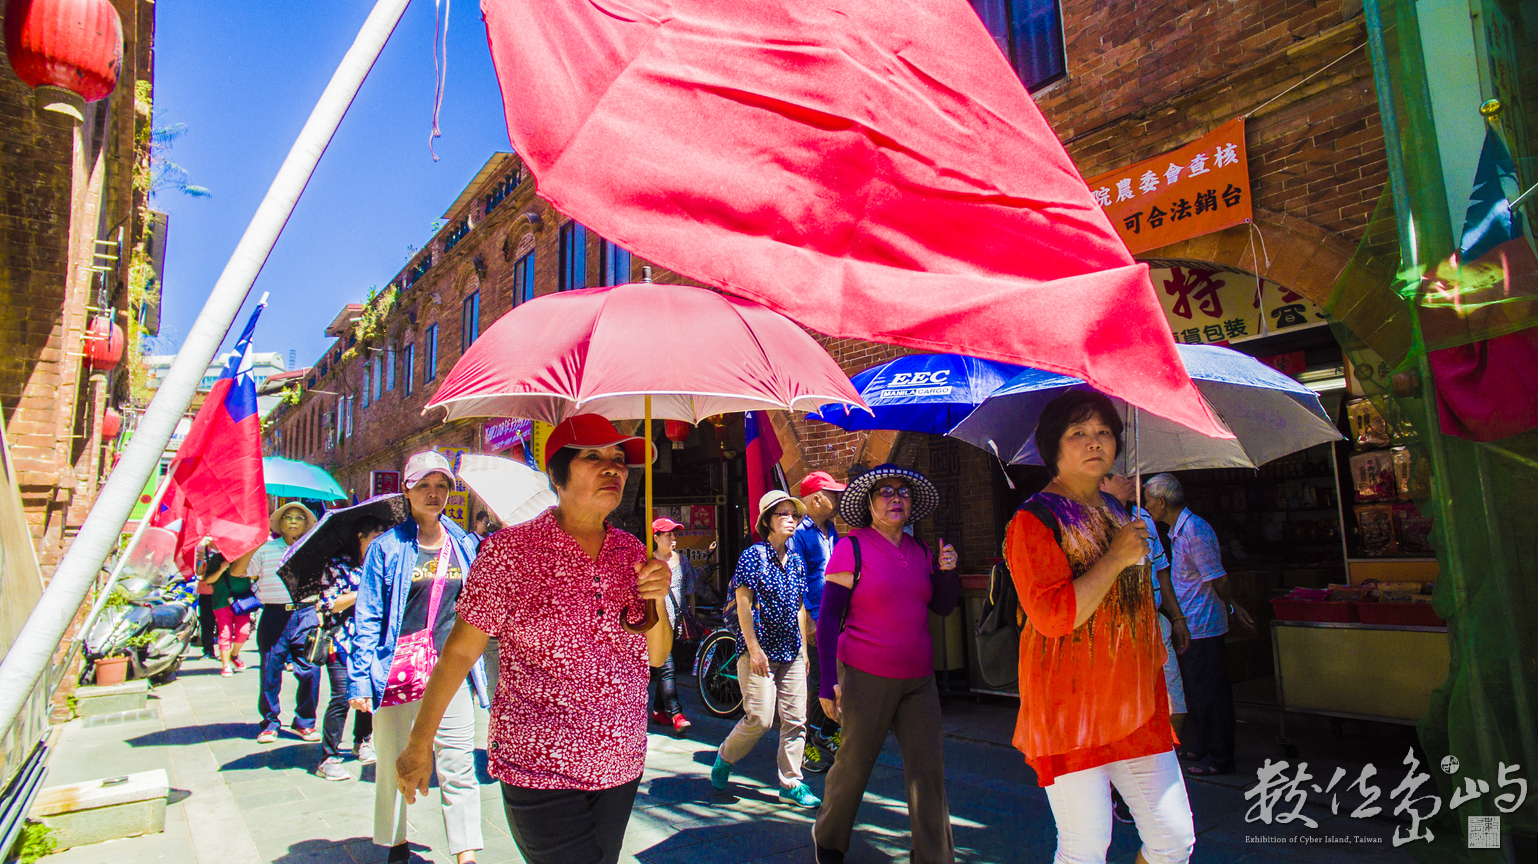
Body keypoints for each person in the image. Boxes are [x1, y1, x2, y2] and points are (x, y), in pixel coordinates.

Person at [394, 415, 672, 864]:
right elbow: (461, 651)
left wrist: (657, 595)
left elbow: (656, 654)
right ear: (558, 475)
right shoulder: (510, 552)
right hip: (538, 762)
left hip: (620, 759)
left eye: (620, 460)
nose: (613, 469)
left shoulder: (632, 553)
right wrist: (420, 742)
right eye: (594, 457)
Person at [1003, 389, 1194, 864]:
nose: (1094, 443)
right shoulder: (1034, 520)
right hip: (1071, 710)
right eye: (1079, 433)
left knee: (1174, 840)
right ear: (1054, 447)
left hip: (1134, 702)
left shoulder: (1119, 512)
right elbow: (1051, 617)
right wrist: (1115, 559)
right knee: (1086, 847)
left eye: (1104, 432)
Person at [812, 464, 960, 864]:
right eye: (886, 492)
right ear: (870, 503)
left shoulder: (923, 551)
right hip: (864, 674)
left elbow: (943, 607)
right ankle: (829, 841)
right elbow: (827, 620)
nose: (896, 498)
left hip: (919, 679)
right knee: (854, 765)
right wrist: (828, 682)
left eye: (903, 492)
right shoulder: (853, 547)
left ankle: (934, 856)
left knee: (928, 771)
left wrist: (947, 573)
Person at [348, 452, 489, 864]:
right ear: (407, 490)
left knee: (459, 767)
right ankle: (395, 847)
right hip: (397, 671)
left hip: (451, 671)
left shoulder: (463, 543)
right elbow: (369, 615)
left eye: (441, 486)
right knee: (395, 763)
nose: (434, 494)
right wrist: (360, 681)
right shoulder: (387, 548)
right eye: (424, 486)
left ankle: (466, 856)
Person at [710, 491, 821, 808]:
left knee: (796, 720)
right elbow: (743, 603)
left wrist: (802, 650)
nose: (791, 519)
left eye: (794, 515)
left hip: (792, 652)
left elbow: (799, 606)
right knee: (759, 719)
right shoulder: (753, 556)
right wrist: (753, 648)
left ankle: (792, 783)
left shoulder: (797, 562)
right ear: (767, 522)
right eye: (783, 514)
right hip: (759, 651)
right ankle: (725, 757)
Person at [1143, 473, 1253, 778]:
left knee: (1211, 692)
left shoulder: (1194, 530)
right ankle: (1203, 745)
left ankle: (1220, 756)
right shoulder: (1179, 532)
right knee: (1197, 689)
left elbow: (1219, 578)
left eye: (1149, 500)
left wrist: (1231, 606)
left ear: (1161, 503)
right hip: (1190, 623)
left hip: (1203, 624)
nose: (1147, 506)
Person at [1098, 473, 1188, 825]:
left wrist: (1177, 617)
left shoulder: (1145, 517)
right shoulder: (1089, 520)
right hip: (1114, 629)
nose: (1126, 477)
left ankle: (1160, 778)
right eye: (1117, 473)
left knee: (1175, 705)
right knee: (1123, 714)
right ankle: (1121, 787)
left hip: (1153, 619)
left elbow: (1162, 572)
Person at [232, 501, 321, 744]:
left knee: (310, 671)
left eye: (299, 518)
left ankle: (305, 722)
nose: (293, 521)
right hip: (274, 615)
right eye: (288, 517)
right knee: (270, 670)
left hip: (305, 615)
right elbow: (239, 572)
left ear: (306, 524)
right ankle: (270, 722)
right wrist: (253, 546)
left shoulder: (313, 548)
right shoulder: (266, 549)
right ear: (279, 524)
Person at [314, 515, 390, 781]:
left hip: (372, 642)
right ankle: (328, 756)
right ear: (361, 536)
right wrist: (363, 593)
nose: (381, 539)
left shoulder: (382, 564)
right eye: (376, 534)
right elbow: (326, 604)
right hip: (342, 640)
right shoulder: (338, 565)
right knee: (341, 696)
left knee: (370, 693)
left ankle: (363, 741)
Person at [789, 470, 846, 774]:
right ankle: (808, 739)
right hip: (814, 615)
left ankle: (825, 731)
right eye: (832, 493)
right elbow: (797, 579)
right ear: (815, 498)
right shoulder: (800, 533)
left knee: (833, 674)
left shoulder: (832, 530)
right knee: (815, 680)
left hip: (835, 613)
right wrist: (808, 619)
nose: (837, 499)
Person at [648, 516, 698, 735]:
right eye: (668, 535)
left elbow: (690, 591)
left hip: (680, 625)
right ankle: (676, 714)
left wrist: (692, 617)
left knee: (668, 668)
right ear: (656, 538)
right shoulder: (649, 563)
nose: (673, 538)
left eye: (674, 534)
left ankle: (659, 709)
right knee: (667, 670)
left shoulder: (683, 561)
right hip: (659, 626)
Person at [200, 550, 252, 678]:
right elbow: (208, 580)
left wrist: (246, 572)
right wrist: (222, 568)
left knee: (244, 632)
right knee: (225, 633)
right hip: (221, 601)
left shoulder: (246, 556)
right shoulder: (217, 559)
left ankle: (234, 655)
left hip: (242, 600)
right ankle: (225, 665)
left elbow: (256, 575)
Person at [195, 545, 219, 661]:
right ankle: (208, 650)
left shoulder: (225, 548)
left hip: (221, 591)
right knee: (206, 622)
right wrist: (200, 560)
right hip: (205, 591)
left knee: (224, 623)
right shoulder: (202, 550)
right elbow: (198, 572)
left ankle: (225, 652)